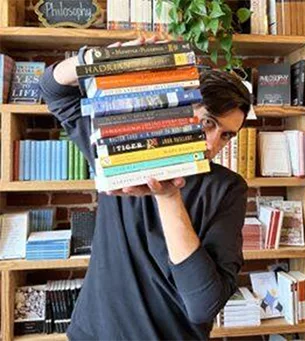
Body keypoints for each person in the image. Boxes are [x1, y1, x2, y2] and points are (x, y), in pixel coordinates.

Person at [39, 36, 251, 341]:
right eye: (207, 123)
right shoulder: (123, 148)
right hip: (94, 333)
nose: (212, 144)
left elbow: (203, 305)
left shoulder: (227, 189)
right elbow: (54, 91)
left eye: (226, 135)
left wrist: (168, 195)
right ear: (178, 108)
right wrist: (91, 61)